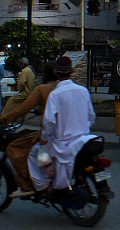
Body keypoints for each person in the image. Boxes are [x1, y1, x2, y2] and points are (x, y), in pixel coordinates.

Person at [27, 56, 96, 192]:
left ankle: (45, 185)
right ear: (72, 71)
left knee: (35, 154)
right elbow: (91, 116)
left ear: (56, 72)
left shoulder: (56, 94)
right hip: (83, 139)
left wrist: (45, 138)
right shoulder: (83, 91)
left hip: (62, 144)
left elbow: (49, 122)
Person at [2, 61, 58, 198]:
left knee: (14, 147)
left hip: (49, 134)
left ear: (45, 75)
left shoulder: (42, 89)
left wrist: (3, 119)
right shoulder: (64, 88)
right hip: (69, 133)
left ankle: (28, 185)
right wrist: (40, 110)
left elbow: (20, 110)